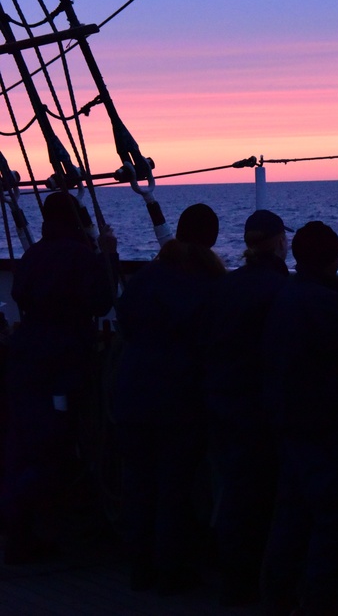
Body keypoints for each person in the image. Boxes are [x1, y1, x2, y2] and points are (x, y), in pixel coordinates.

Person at [113, 203, 226, 593]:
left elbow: (124, 318)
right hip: (179, 398)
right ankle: (173, 570)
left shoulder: (147, 277)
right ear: (211, 238)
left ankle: (141, 568)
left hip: (133, 393)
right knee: (175, 487)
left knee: (141, 484)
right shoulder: (209, 284)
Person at [258, 221, 338, 616]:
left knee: (289, 517)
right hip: (318, 429)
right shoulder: (321, 303)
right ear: (335, 260)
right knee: (328, 518)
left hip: (288, 423)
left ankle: (276, 598)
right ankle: (320, 601)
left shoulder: (288, 297)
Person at [2, 191, 117, 564]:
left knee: (27, 443)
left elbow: (20, 292)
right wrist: (107, 255)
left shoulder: (34, 254)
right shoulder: (81, 257)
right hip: (62, 361)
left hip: (27, 358)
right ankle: (29, 537)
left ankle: (24, 529)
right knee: (54, 444)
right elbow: (102, 300)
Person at [201, 208, 292, 606]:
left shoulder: (225, 286)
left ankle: (233, 578)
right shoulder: (279, 290)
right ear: (278, 242)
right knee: (256, 495)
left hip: (221, 398)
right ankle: (251, 582)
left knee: (234, 489)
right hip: (257, 406)